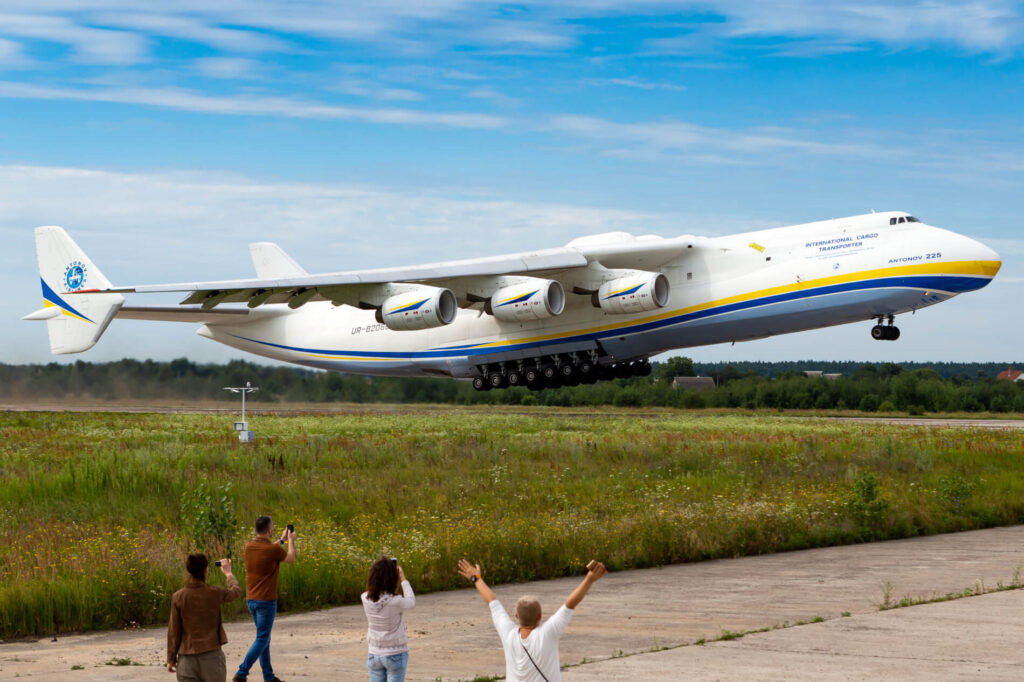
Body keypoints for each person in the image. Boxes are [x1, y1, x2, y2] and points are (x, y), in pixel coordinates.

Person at [457, 559, 607, 682]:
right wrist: (589, 579)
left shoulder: (508, 633)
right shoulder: (547, 633)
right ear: (540, 616)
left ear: (516, 616)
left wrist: (476, 578)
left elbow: (492, 601)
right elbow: (570, 604)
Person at [233, 516, 296, 682]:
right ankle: (241, 673)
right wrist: (290, 541)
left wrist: (281, 540)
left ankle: (268, 676)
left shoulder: (249, 546)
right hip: (266, 601)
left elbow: (269, 550)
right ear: (269, 530)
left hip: (251, 600)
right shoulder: (271, 550)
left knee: (264, 638)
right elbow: (291, 558)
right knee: (262, 638)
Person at [166, 554, 241, 681]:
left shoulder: (178, 597)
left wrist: (171, 658)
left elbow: (174, 631)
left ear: (188, 570)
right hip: (212, 655)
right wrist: (228, 574)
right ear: (206, 569)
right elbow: (236, 592)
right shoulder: (214, 592)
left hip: (186, 659)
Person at [361, 557, 416, 681]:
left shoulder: (365, 598)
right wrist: (403, 579)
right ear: (393, 578)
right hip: (395, 653)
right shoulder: (395, 601)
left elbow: (377, 595)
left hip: (374, 653)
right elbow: (411, 602)